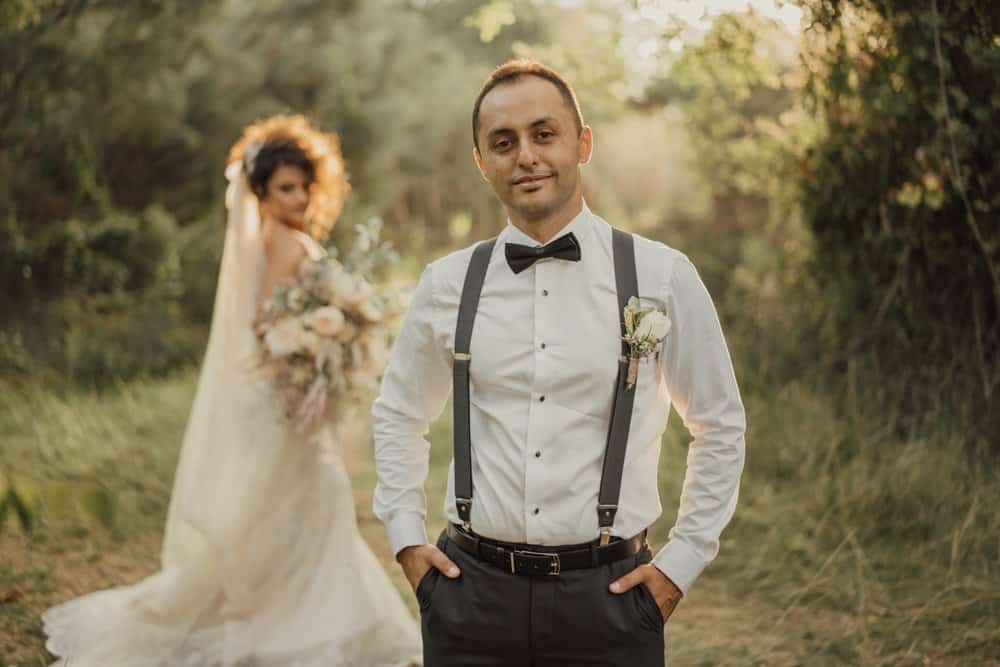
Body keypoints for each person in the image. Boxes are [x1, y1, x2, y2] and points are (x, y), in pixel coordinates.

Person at [372, 61, 747, 666]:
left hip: (611, 599)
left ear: (583, 142)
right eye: (503, 142)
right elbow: (398, 414)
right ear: (482, 161)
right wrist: (407, 541)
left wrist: (681, 563)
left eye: (543, 134)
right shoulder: (445, 283)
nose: (526, 156)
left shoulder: (661, 275)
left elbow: (719, 423)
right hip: (469, 600)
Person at [42, 115, 422, 667]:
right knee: (309, 500)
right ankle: (303, 617)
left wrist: (332, 342)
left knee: (299, 504)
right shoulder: (285, 243)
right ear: (261, 194)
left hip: (288, 392)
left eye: (302, 186)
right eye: (284, 189)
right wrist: (321, 345)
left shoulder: (278, 240)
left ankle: (308, 607)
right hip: (288, 396)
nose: (297, 197)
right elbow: (270, 328)